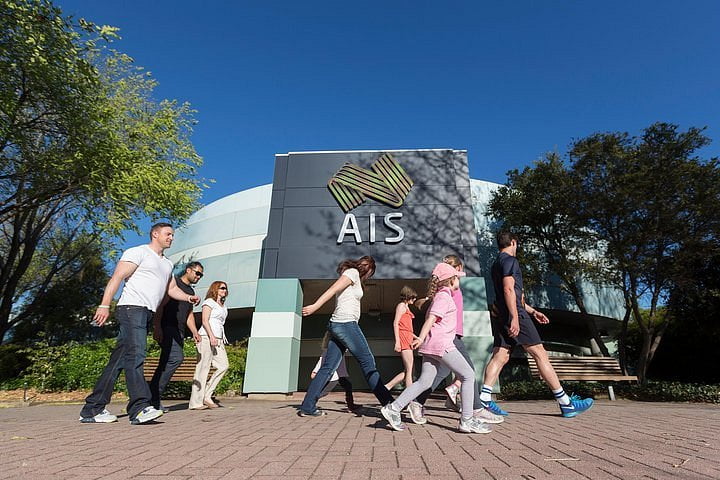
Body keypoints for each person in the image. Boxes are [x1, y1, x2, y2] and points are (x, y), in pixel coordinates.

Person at [79, 223, 199, 425]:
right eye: (168, 234)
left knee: (118, 361)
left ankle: (92, 409)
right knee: (137, 354)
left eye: (172, 235)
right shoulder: (138, 252)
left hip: (147, 312)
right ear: (155, 234)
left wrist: (188, 298)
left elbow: (171, 290)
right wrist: (104, 305)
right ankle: (140, 407)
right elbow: (117, 277)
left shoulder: (167, 264)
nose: (171, 238)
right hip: (131, 308)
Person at [479, 231, 594, 418]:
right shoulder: (510, 261)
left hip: (503, 313)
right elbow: (509, 289)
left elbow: (510, 292)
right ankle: (566, 403)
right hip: (513, 313)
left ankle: (484, 398)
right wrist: (515, 317)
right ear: (513, 242)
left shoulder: (496, 263)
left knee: (501, 354)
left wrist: (533, 311)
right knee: (540, 354)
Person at [380, 263, 491, 433]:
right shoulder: (444, 297)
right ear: (451, 280)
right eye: (457, 278)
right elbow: (430, 320)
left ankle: (393, 409)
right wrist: (422, 337)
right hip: (442, 344)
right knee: (468, 375)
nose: (459, 281)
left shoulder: (440, 296)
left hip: (431, 345)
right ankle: (467, 421)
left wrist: (423, 339)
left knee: (425, 381)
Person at [407, 255, 504, 425]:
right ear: (457, 269)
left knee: (439, 374)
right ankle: (476, 410)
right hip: (449, 337)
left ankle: (419, 402)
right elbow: (435, 310)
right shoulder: (451, 290)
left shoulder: (449, 290)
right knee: (469, 372)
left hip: (453, 335)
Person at [298, 255, 393, 417]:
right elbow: (333, 289)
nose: (369, 274)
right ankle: (390, 404)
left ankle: (307, 406)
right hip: (345, 324)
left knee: (328, 368)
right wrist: (315, 306)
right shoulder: (352, 272)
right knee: (367, 362)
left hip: (338, 325)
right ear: (368, 268)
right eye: (370, 270)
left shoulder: (353, 275)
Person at [148, 261, 204, 412]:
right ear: (188, 270)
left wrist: (194, 331)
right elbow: (161, 305)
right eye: (197, 273)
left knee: (165, 363)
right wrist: (157, 326)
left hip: (178, 331)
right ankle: (152, 395)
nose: (199, 277)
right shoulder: (174, 283)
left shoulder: (190, 293)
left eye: (201, 275)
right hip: (167, 326)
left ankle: (152, 399)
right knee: (176, 358)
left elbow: (188, 315)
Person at [189, 281, 230, 410]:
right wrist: (211, 335)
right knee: (203, 368)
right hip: (207, 337)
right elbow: (205, 321)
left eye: (225, 288)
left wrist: (218, 337)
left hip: (218, 339)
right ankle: (196, 403)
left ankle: (207, 395)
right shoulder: (209, 302)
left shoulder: (223, 306)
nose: (224, 290)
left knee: (223, 365)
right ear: (215, 289)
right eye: (222, 288)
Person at [311, 332, 360, 412]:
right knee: (324, 392)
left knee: (348, 386)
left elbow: (349, 346)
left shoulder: (340, 348)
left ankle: (351, 406)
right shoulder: (329, 350)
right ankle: (309, 403)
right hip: (333, 375)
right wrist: (315, 371)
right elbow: (321, 360)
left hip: (339, 374)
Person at [384, 286, 419, 391]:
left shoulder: (406, 307)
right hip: (404, 338)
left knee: (410, 370)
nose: (414, 300)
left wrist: (417, 337)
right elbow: (396, 323)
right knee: (409, 370)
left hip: (408, 337)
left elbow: (407, 328)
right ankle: (409, 397)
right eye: (413, 298)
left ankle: (387, 386)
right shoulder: (401, 306)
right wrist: (398, 342)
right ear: (408, 296)